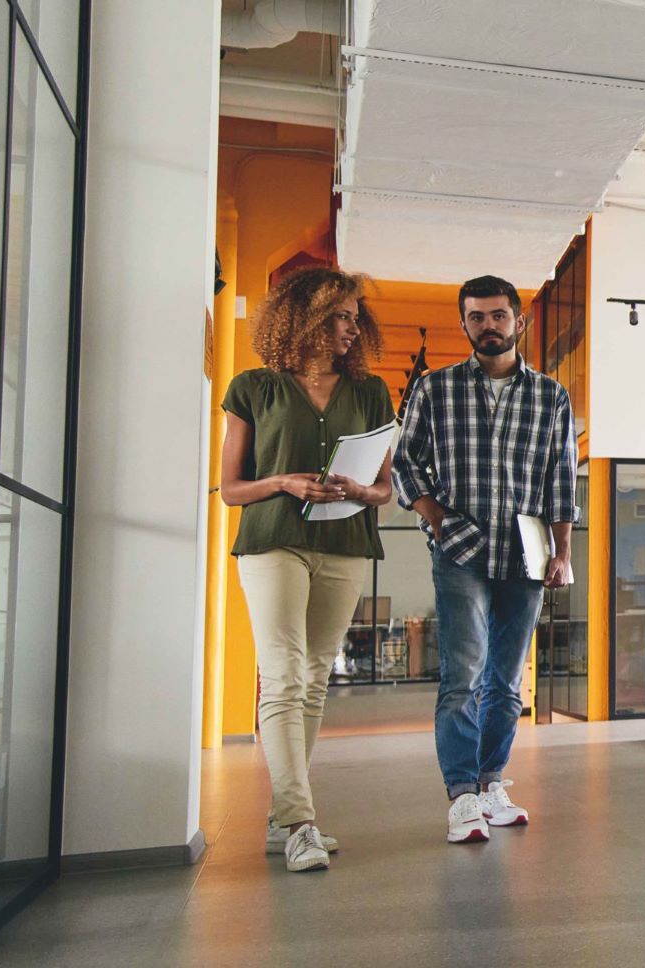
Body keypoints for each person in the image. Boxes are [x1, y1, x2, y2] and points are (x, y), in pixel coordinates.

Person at [219, 266, 394, 873]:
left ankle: (283, 818)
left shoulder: (371, 393)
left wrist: (361, 488)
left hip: (346, 541)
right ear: (306, 317)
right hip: (273, 540)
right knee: (285, 672)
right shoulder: (252, 388)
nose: (351, 327)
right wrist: (282, 481)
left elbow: (386, 489)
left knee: (315, 677)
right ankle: (300, 822)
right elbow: (231, 490)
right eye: (340, 316)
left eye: (354, 317)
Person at [392, 274, 577, 845]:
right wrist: (440, 520)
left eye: (499, 316)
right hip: (461, 551)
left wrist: (562, 552)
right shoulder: (435, 389)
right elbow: (406, 465)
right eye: (477, 317)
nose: (488, 326)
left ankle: (492, 782)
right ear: (464, 323)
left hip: (526, 551)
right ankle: (462, 795)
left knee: (507, 680)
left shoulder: (550, 396)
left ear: (518, 321)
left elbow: (560, 479)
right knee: (463, 675)